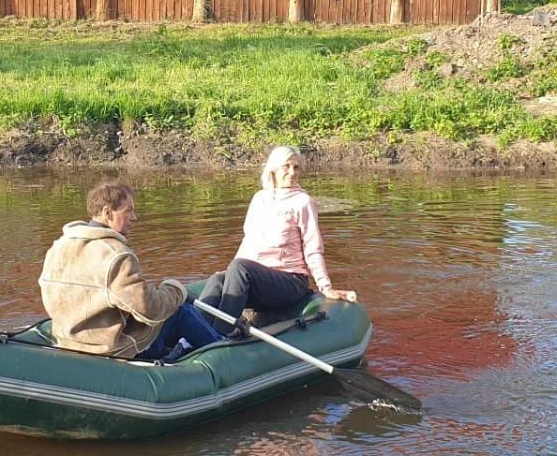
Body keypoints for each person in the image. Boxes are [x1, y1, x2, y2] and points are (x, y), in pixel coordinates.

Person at [40, 181, 223, 360]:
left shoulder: (59, 247)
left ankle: (180, 350)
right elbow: (150, 309)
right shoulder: (116, 256)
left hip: (70, 341)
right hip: (113, 348)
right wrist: (175, 290)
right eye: (128, 210)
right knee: (182, 312)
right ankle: (225, 352)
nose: (135, 217)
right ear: (107, 213)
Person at [198, 146, 358, 335]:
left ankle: (218, 336)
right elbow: (249, 242)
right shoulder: (259, 198)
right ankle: (190, 335)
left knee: (239, 268)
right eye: (287, 167)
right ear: (273, 169)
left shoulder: (303, 202)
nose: (292, 172)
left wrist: (326, 287)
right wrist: (231, 274)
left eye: (296, 167)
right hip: (259, 279)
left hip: (290, 281)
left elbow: (313, 248)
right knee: (218, 280)